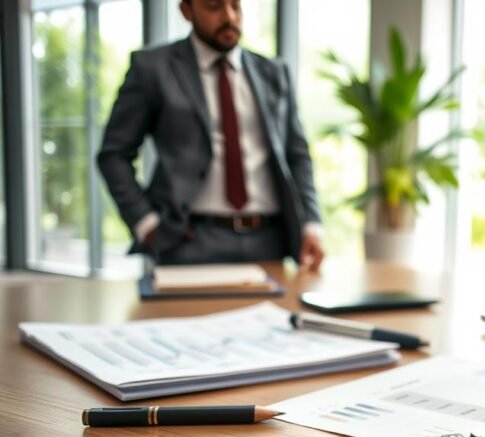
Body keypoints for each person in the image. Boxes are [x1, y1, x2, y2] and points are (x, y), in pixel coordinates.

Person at [97, 0, 324, 269]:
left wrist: (311, 223)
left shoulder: (274, 73)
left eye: (236, 6)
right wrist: (146, 224)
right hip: (188, 241)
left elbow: (296, 154)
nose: (229, 17)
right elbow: (114, 155)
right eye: (214, 6)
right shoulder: (153, 69)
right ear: (186, 10)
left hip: (270, 240)